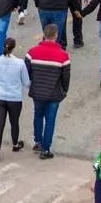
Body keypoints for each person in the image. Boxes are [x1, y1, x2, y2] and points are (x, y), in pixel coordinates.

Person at [25, 24, 71, 159]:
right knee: (50, 120)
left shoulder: (32, 52)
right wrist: (64, 91)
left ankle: (38, 141)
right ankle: (46, 149)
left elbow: (26, 71)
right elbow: (66, 77)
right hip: (54, 93)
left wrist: (31, 85)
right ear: (56, 36)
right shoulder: (63, 55)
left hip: (37, 92)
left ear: (44, 35)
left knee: (38, 115)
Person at [0, 37, 31, 161]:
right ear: (14, 48)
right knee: (14, 122)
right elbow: (26, 82)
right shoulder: (20, 63)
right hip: (14, 97)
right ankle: (15, 144)